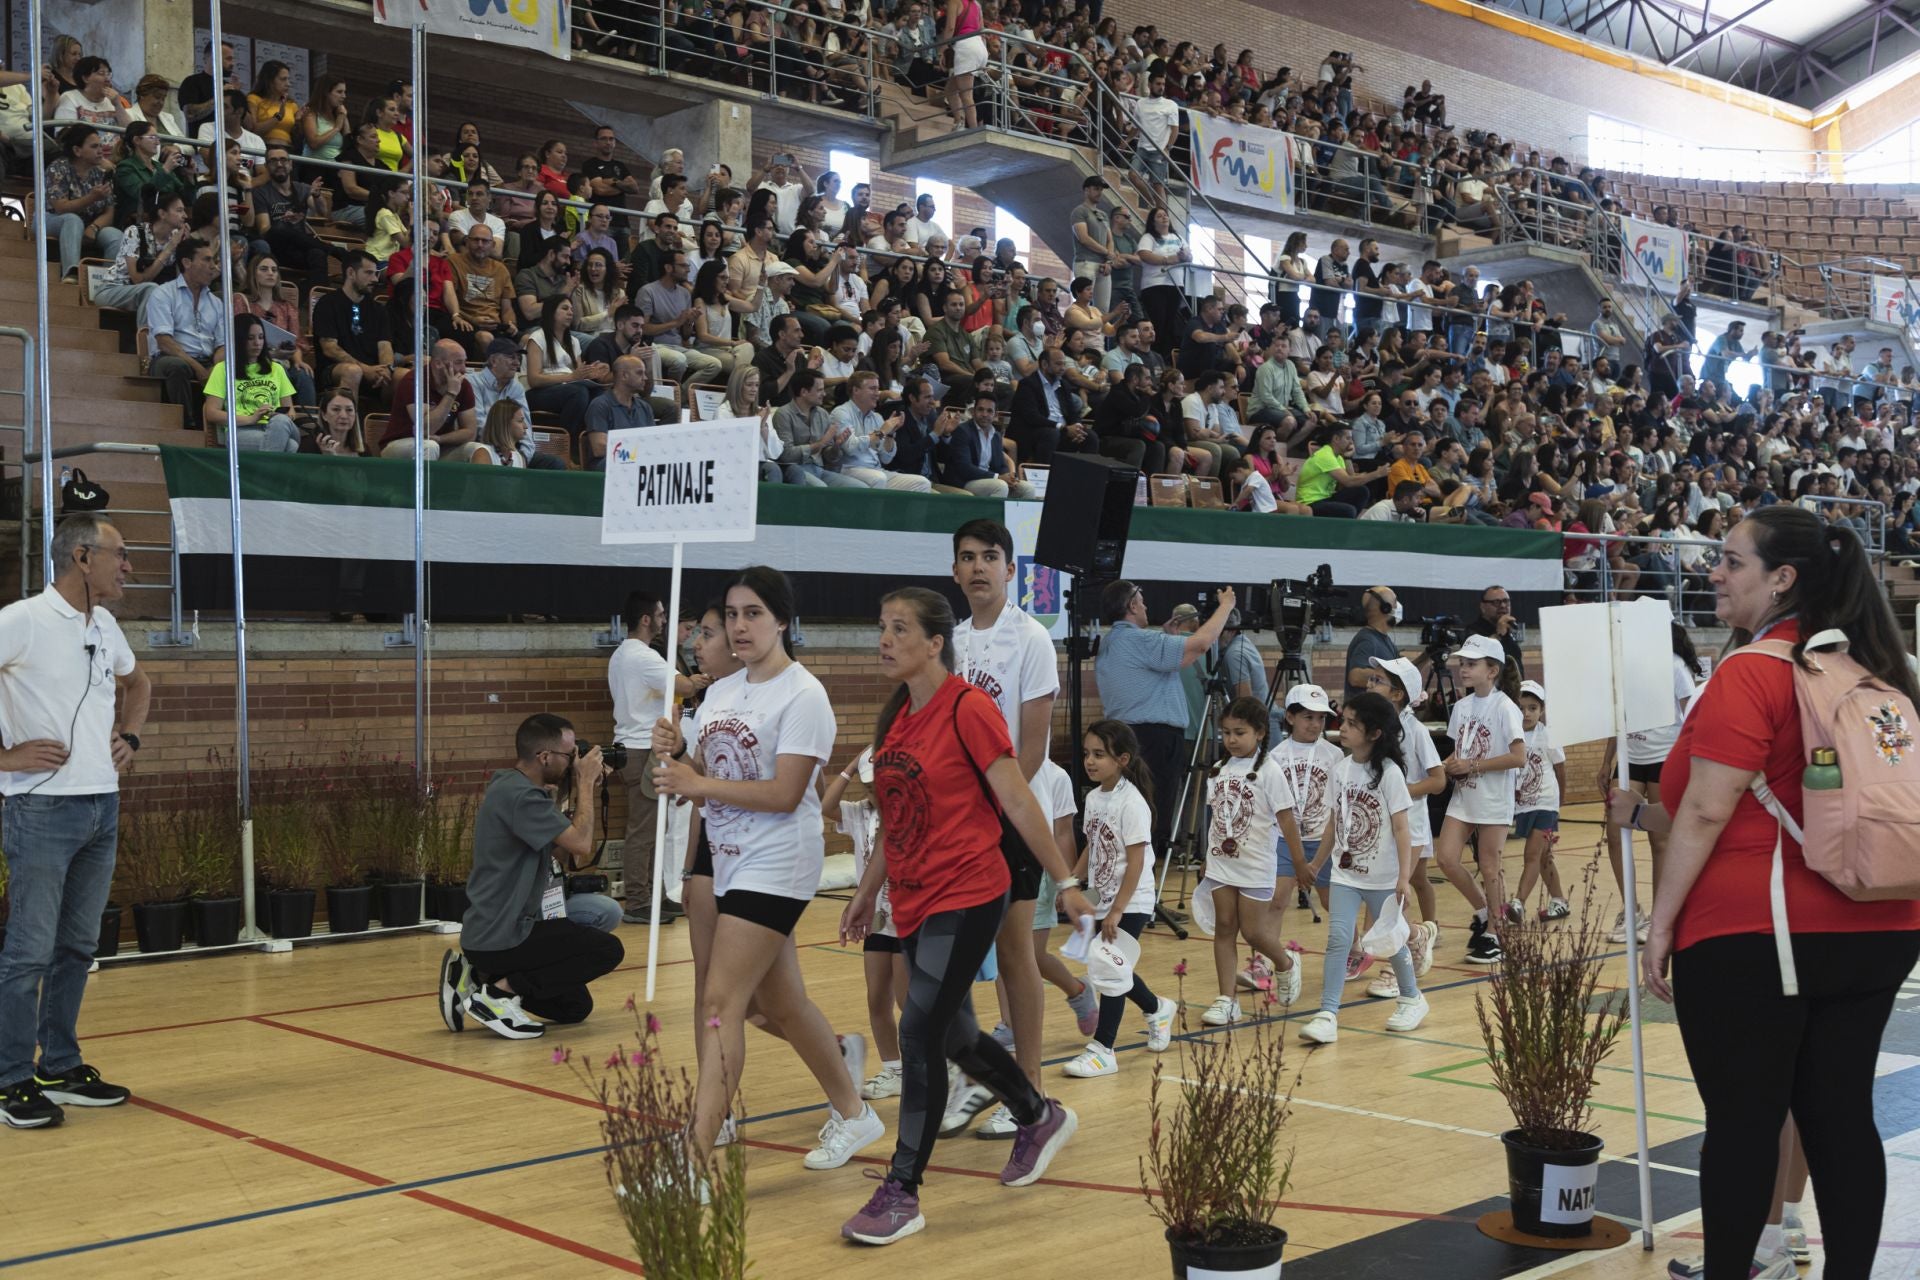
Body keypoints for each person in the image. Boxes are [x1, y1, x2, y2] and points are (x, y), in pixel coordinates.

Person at [1621, 507, 1920, 1280]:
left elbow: (1708, 809)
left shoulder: (1753, 670)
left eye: (1731, 561)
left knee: (1744, 1126)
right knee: (1841, 1117)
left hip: (1762, 933)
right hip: (1882, 923)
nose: (1713, 573)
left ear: (1782, 579)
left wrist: (1661, 923)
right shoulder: (1876, 672)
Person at [836, 588, 1092, 1244]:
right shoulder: (897, 719)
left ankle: (902, 1190)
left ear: (934, 643)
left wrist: (1065, 880)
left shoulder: (968, 708)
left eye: (899, 629)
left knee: (919, 1029)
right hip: (913, 898)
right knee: (953, 1036)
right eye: (882, 627)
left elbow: (1019, 800)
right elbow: (896, 818)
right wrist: (867, 890)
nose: (885, 639)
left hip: (970, 889)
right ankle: (1037, 1115)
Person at [649, 567, 886, 1176]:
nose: (739, 626)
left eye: (753, 613)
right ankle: (854, 1111)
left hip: (778, 861)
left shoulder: (803, 695)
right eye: (732, 614)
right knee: (782, 1003)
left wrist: (698, 783)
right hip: (728, 860)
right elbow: (711, 776)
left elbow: (784, 794)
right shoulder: (723, 692)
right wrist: (679, 758)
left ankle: (694, 1159)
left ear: (781, 620)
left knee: (720, 1000)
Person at [0, 514, 149, 1129]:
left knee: (77, 947)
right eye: (120, 554)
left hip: (100, 806)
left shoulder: (105, 625)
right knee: (28, 952)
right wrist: (5, 757)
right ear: (82, 558)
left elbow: (138, 684)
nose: (129, 566)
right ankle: (9, 1078)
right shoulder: (22, 620)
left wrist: (130, 738)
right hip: (40, 809)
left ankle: (57, 1065)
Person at [939, 521, 1060, 1129]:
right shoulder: (949, 644)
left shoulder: (1032, 639)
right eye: (968, 557)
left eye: (990, 557)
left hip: (1011, 818)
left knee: (1015, 954)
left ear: (1011, 570)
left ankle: (1030, 1090)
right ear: (954, 571)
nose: (979, 567)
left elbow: (1031, 749)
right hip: (957, 820)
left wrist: (992, 805)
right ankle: (977, 1074)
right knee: (951, 958)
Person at [439, 714, 625, 1039]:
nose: (574, 761)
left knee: (574, 1008)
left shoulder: (513, 786)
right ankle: (497, 994)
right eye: (569, 755)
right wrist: (584, 784)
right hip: (504, 935)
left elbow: (561, 855)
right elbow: (582, 844)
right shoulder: (522, 797)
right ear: (545, 757)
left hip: (495, 934)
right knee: (608, 950)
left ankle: (473, 979)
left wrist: (574, 792)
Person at [1297, 691, 1427, 1042]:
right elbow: (1333, 823)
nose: (1343, 728)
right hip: (1345, 875)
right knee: (1339, 938)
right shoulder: (1340, 770)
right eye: (1344, 721)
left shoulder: (1390, 774)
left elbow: (1402, 828)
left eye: (1353, 724)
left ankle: (1412, 998)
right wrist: (1315, 863)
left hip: (1383, 877)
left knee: (1390, 941)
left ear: (1375, 733)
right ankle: (1327, 1013)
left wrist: (1404, 877)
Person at [1059, 719, 1178, 1080]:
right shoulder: (1094, 797)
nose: (1089, 761)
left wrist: (1118, 911)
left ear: (1122, 759)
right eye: (1087, 753)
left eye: (1099, 754)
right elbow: (1092, 847)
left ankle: (1103, 1050)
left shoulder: (1132, 803)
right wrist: (1071, 885)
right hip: (1102, 897)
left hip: (1132, 901)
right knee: (1113, 965)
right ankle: (1156, 1008)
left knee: (1109, 967)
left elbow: (1138, 861)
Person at [1094, 580, 1236, 860]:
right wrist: (1226, 606)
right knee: (1151, 815)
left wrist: (1167, 638)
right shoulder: (1140, 640)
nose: (1146, 606)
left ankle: (1134, 877)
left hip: (1127, 735)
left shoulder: (1112, 640)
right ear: (1132, 606)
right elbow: (1201, 644)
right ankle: (1143, 880)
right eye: (1142, 601)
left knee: (1135, 812)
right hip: (1153, 739)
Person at [1197, 697, 1306, 1027]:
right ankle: (1227, 999)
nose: (1231, 740)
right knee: (1224, 926)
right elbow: (1216, 818)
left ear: (1259, 732)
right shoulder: (1218, 770)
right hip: (1222, 863)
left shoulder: (1270, 771)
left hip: (1256, 864)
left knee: (1255, 932)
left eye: (1239, 732)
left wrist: (1299, 863)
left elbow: (1287, 821)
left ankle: (1285, 963)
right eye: (1226, 733)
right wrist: (1207, 856)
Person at [611, 590, 703, 926]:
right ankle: (638, 901)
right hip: (641, 749)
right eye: (662, 615)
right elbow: (685, 687)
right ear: (646, 619)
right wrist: (699, 680)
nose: (665, 621)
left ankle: (656, 896)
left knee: (655, 826)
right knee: (644, 829)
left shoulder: (623, 654)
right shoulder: (643, 656)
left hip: (636, 746)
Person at [1433, 634, 1526, 965]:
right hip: (1465, 796)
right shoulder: (1461, 707)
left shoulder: (1505, 707)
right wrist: (1442, 768)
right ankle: (1487, 911)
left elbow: (1518, 757)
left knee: (1489, 867)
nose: (1463, 669)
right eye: (1462, 663)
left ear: (1492, 670)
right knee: (1446, 858)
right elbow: (1459, 751)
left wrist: (1472, 765)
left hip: (1493, 799)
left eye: (1471, 664)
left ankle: (1495, 934)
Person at [1363, 657, 1443, 984]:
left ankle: (1395, 971)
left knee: (1393, 896)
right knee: (1385, 895)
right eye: (1370, 678)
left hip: (1410, 826)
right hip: (1380, 826)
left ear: (1397, 694)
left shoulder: (1415, 731)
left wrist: (1401, 792)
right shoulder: (1372, 728)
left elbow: (1438, 780)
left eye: (1377, 680)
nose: (1369, 684)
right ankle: (1416, 936)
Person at [145, 236, 227, 433]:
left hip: (207, 360)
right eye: (206, 260)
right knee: (177, 366)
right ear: (187, 262)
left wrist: (215, 369)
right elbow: (164, 342)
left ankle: (228, 430)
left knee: (236, 369)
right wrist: (199, 369)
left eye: (214, 260)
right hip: (170, 357)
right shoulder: (163, 294)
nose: (213, 266)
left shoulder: (217, 303)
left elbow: (222, 345)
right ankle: (186, 426)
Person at [1508, 679, 1567, 922]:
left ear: (1541, 710)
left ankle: (1518, 903)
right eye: (1521, 708)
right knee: (1543, 857)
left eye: (1532, 708)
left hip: (1546, 802)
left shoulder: (1548, 735)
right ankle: (1559, 901)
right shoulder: (1512, 736)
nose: (1526, 713)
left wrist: (1559, 803)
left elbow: (1560, 769)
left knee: (1532, 854)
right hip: (1524, 805)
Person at [201, 314, 301, 452]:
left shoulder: (276, 369)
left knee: (281, 422)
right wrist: (251, 419)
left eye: (261, 337)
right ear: (238, 340)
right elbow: (211, 413)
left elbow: (290, 410)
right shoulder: (223, 369)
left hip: (276, 426)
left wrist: (280, 415)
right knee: (290, 446)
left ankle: (264, 465)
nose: (257, 343)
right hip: (241, 430)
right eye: (250, 338)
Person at [381, 340, 485, 462]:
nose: (464, 369)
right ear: (438, 363)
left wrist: (441, 439)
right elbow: (425, 430)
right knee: (429, 446)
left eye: (464, 362)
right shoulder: (414, 381)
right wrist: (451, 394)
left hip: (440, 445)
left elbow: (470, 432)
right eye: (458, 362)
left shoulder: (463, 385)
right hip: (400, 444)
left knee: (478, 449)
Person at [313, 251, 395, 402]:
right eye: (369, 273)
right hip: (335, 369)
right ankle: (350, 418)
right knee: (353, 371)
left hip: (374, 371)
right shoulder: (327, 303)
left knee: (404, 376)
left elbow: (385, 346)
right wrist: (364, 369)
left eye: (376, 274)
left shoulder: (378, 309)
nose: (375, 279)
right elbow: (329, 348)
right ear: (351, 273)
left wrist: (387, 369)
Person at [45, 124, 123, 282]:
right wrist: (91, 198)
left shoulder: (101, 172)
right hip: (51, 220)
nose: (100, 151)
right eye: (94, 146)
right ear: (77, 150)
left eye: (100, 146)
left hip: (90, 224)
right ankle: (71, 273)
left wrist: (94, 227)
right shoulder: (58, 168)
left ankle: (107, 284)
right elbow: (61, 208)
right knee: (73, 220)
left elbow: (109, 212)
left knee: (116, 236)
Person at [1344, 586, 1406, 705]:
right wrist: (1388, 677)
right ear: (1385, 608)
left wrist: (1427, 655)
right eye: (1395, 602)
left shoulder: (1385, 640)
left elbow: (1402, 676)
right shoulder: (1367, 641)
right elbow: (1355, 677)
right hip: (1365, 713)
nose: (1398, 606)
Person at [1467, 584, 1525, 676]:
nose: (1503, 605)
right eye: (1496, 602)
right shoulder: (1472, 633)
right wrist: (1498, 635)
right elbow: (1480, 662)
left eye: (1506, 601)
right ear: (1483, 607)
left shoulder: (1508, 629)